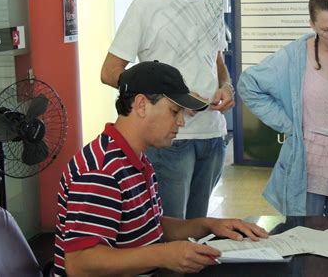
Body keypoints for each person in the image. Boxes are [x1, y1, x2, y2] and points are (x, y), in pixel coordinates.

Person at [54, 61, 267, 276]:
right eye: (174, 111)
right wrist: (163, 255)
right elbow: (79, 264)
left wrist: (209, 225)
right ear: (141, 105)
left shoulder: (136, 158)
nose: (181, 122)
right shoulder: (100, 171)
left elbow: (152, 227)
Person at [100, 0, 234, 220]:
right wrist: (171, 100)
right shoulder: (147, 6)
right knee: (169, 234)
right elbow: (110, 72)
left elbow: (217, 63)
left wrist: (226, 87)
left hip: (212, 136)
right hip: (170, 139)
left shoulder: (213, 4)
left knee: (197, 231)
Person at [237, 0, 328, 216]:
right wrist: (290, 125)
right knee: (303, 236)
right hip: (307, 165)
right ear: (312, 24)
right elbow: (248, 85)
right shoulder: (293, 57)